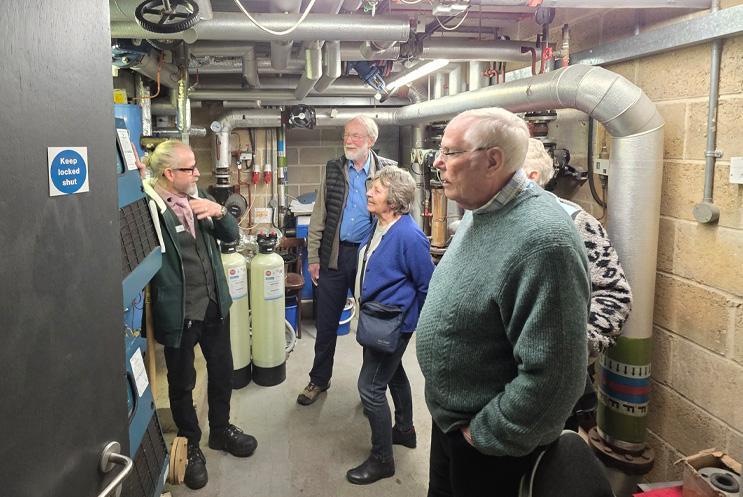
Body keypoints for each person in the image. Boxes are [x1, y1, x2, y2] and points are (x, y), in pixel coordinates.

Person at [415, 108, 591, 497]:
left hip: (491, 447)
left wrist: (483, 435)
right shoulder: (483, 212)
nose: (438, 163)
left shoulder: (543, 241)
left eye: (450, 152)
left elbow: (557, 379)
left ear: (493, 160)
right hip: (452, 423)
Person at [143, 140, 257, 491]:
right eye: (189, 169)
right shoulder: (149, 208)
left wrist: (220, 212)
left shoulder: (199, 197)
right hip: (179, 311)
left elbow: (231, 237)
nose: (197, 173)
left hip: (212, 305)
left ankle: (220, 431)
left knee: (223, 371)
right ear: (168, 173)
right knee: (182, 384)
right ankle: (190, 444)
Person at [299, 116, 397, 406]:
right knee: (326, 323)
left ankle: (371, 390)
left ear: (371, 141)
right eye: (346, 135)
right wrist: (314, 256)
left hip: (369, 257)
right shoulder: (333, 168)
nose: (349, 141)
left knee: (370, 325)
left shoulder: (387, 171)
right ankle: (319, 379)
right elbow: (319, 215)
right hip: (335, 254)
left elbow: (397, 216)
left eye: (356, 136)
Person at [346, 166, 434, 485]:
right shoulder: (380, 224)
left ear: (394, 200)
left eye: (378, 190)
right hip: (377, 318)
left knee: (370, 389)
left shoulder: (409, 236)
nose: (370, 192)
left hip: (393, 324)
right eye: (372, 187)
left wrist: (420, 328)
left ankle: (383, 459)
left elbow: (427, 285)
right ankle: (405, 431)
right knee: (393, 373)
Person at [523, 138, 633, 360]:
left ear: (531, 177)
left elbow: (614, 294)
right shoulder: (490, 219)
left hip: (555, 371)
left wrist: (570, 348)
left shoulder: (575, 222)